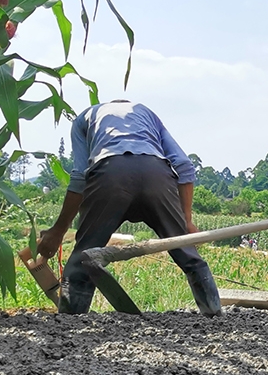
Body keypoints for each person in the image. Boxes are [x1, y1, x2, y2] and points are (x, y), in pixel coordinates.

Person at [36, 100, 221, 316]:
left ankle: (69, 323)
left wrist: (57, 232)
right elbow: (184, 166)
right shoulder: (148, 114)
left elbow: (79, 177)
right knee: (186, 252)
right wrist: (186, 222)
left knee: (84, 257)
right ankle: (214, 317)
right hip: (156, 177)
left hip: (110, 178)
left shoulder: (83, 119)